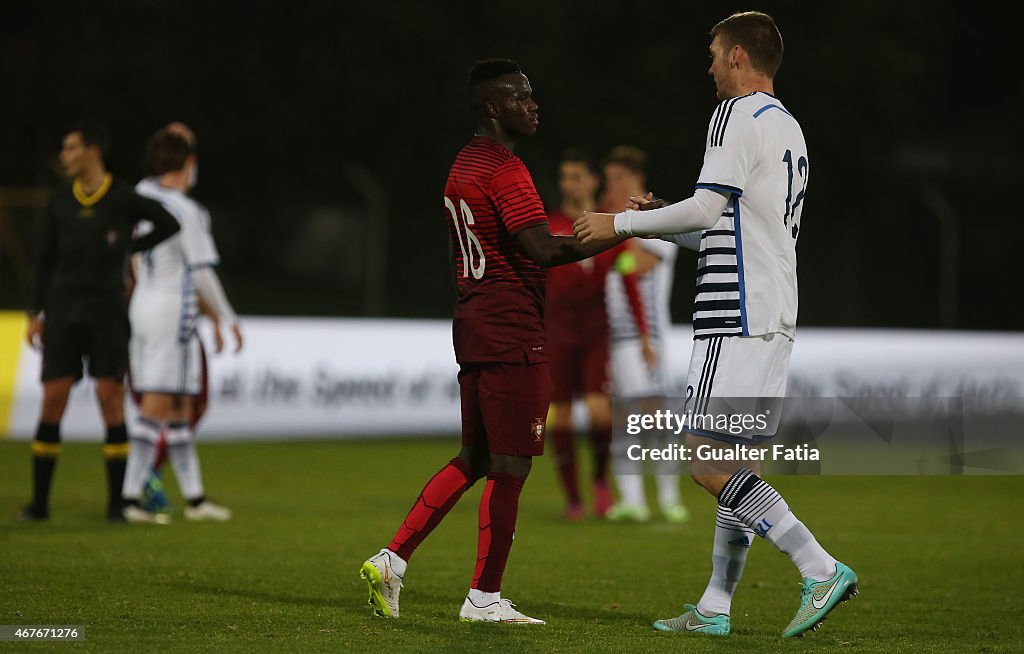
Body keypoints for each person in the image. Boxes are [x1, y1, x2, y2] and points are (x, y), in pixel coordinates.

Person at [574, 12, 858, 639]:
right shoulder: (790, 127)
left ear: (736, 56)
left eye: (711, 54)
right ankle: (714, 607)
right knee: (733, 467)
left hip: (735, 314)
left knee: (703, 462)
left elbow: (707, 209)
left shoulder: (734, 115)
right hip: (777, 313)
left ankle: (820, 567)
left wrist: (618, 223)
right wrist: (661, 217)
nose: (706, 67)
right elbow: (725, 229)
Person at [360, 58, 623, 624]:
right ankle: (484, 597)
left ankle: (393, 559)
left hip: (475, 324)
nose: (533, 105)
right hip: (512, 334)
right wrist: (621, 229)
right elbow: (544, 251)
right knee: (509, 467)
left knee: (474, 456)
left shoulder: (463, 163)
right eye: (520, 97)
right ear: (490, 108)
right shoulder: (506, 171)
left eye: (531, 95)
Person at [18, 120, 180, 522]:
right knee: (53, 399)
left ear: (93, 151)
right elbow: (42, 261)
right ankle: (39, 505)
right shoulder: (59, 201)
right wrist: (34, 313)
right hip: (63, 311)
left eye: (70, 148)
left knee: (111, 401)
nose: (64, 155)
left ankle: (116, 506)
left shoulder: (122, 198)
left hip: (107, 314)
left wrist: (130, 247)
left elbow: (169, 223)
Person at [120, 123, 242, 524]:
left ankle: (195, 499)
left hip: (146, 301)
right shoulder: (188, 211)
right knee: (156, 403)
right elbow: (203, 271)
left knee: (180, 406)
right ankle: (129, 498)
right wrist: (227, 316)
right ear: (190, 163)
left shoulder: (140, 193)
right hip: (172, 309)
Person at [544, 149, 648, 520]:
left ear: (591, 182)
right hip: (556, 334)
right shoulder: (548, 224)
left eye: (576, 176)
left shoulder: (607, 227)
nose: (568, 184)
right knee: (563, 418)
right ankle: (573, 498)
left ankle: (600, 480)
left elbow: (629, 278)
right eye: (564, 177)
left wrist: (644, 335)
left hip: (594, 335)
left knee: (601, 413)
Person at [598, 146, 688, 524]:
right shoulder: (614, 221)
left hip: (646, 339)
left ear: (637, 181)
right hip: (614, 339)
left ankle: (668, 497)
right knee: (622, 418)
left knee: (654, 420)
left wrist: (612, 227)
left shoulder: (652, 221)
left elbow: (636, 262)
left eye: (620, 179)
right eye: (609, 180)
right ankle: (632, 498)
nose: (613, 187)